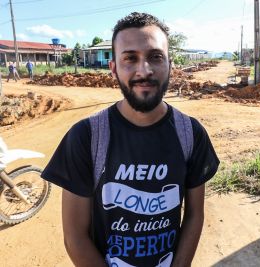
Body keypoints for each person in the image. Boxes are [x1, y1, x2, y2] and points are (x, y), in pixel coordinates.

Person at [41, 12, 219, 267]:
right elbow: (75, 237)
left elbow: (194, 215)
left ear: (170, 64)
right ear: (113, 68)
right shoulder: (84, 137)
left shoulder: (191, 133)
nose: (143, 70)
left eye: (155, 57)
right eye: (130, 58)